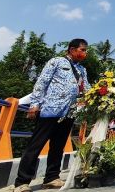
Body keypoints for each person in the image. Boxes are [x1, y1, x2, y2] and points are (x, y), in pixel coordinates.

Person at [14, 39, 91, 192]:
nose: (84, 53)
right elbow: (42, 82)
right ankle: (22, 182)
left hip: (69, 112)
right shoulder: (56, 62)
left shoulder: (82, 70)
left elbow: (86, 88)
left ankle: (51, 177)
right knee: (36, 145)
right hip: (51, 109)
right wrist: (35, 103)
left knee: (58, 146)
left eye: (85, 50)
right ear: (72, 49)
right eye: (82, 50)